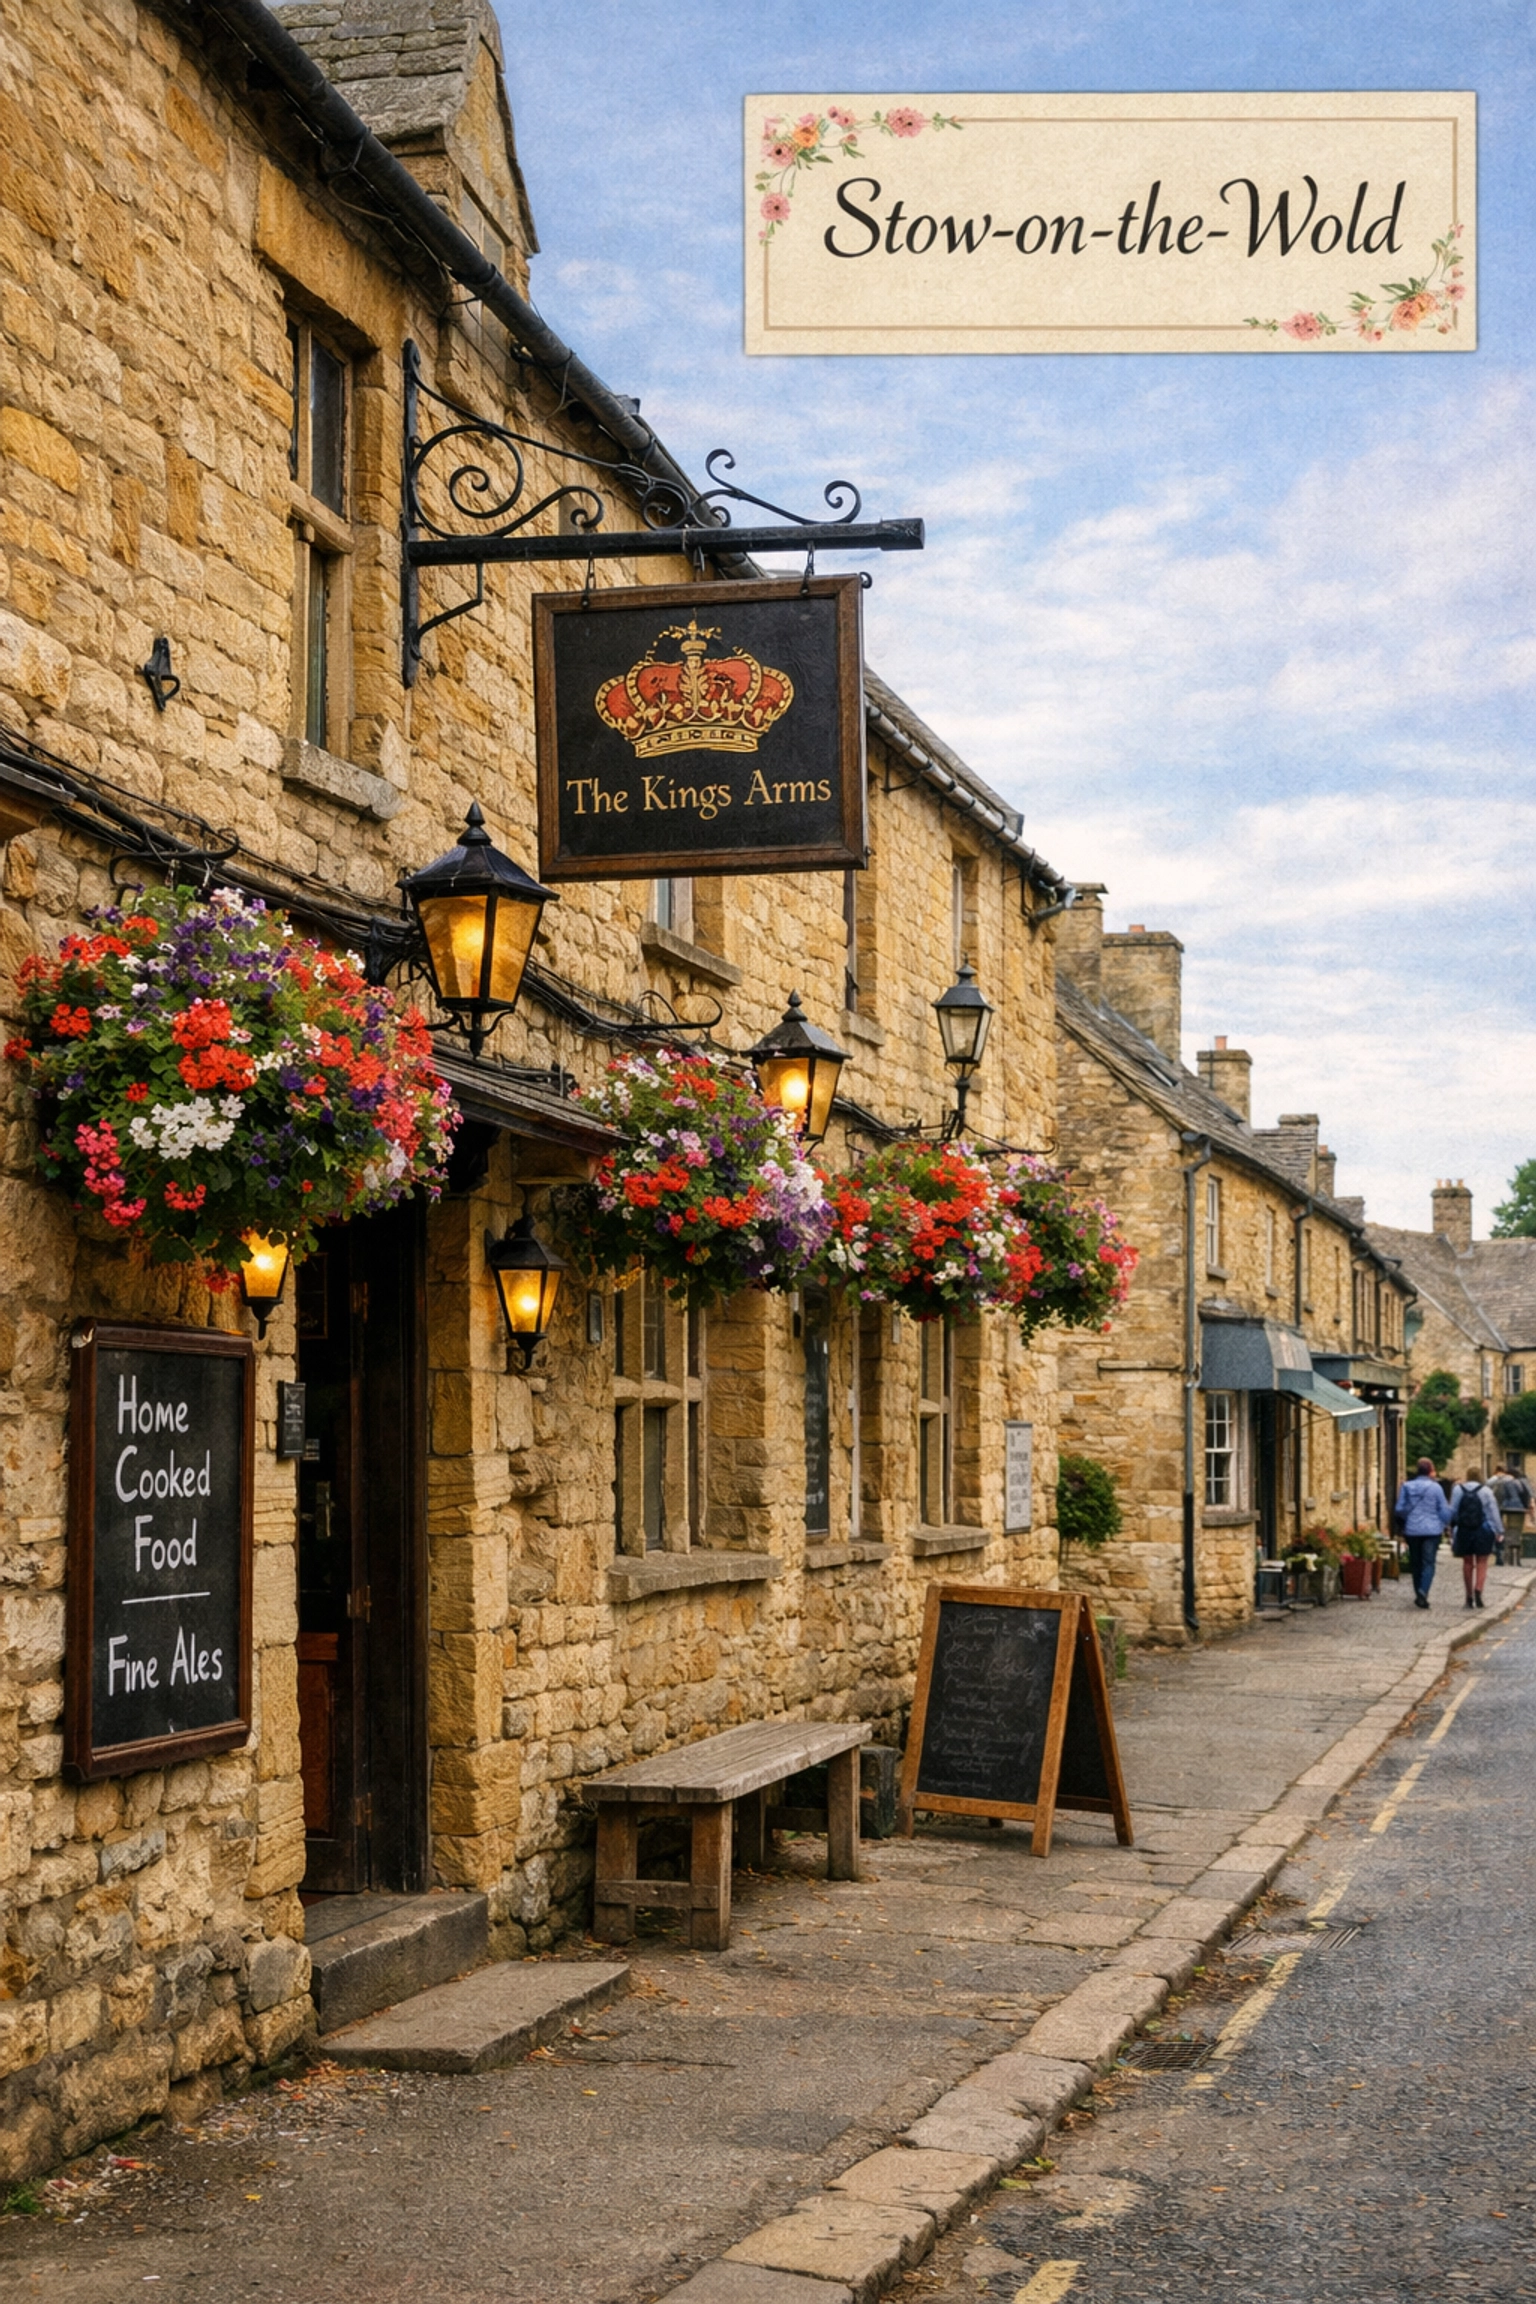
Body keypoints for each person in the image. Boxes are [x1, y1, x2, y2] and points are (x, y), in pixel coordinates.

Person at [1395, 1457, 1453, 1608]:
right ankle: (1423, 1591)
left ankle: (1418, 1592)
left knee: (1416, 1563)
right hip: (1432, 1531)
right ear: (1430, 1471)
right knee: (1428, 1563)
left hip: (1413, 1530)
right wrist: (1447, 1524)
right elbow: (1443, 1510)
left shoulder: (1407, 1486)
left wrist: (1410, 1514)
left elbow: (1399, 1509)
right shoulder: (1436, 1488)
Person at [1448, 1470, 1503, 1608]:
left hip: (1464, 1529)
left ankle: (1469, 1596)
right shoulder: (1486, 1491)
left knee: (1467, 1562)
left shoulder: (1458, 1490)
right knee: (1482, 1561)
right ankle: (1478, 1589)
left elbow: (1453, 1511)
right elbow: (1493, 1512)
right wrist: (1499, 1530)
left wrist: (1451, 1528)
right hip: (1483, 1530)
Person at [1491, 1465, 1531, 1564]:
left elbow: (1498, 1495)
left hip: (1505, 1509)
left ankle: (1505, 1556)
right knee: (1517, 1532)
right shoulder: (1521, 1482)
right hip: (1519, 1509)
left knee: (1505, 1531)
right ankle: (1516, 1559)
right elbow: (1526, 1494)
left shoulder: (1501, 1482)